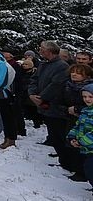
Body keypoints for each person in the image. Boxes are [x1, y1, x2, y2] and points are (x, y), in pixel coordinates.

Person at [29, 41, 71, 169]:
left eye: (42, 49)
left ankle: (69, 163)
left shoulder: (62, 66)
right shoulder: (43, 64)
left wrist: (41, 98)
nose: (40, 51)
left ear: (50, 51)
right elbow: (34, 79)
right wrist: (31, 94)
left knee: (60, 136)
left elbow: (56, 85)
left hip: (56, 107)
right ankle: (64, 161)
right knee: (54, 136)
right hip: (45, 106)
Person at [67, 83, 93, 189]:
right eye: (84, 97)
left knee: (90, 169)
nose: (87, 99)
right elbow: (78, 126)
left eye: (90, 97)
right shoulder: (85, 111)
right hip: (87, 148)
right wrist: (72, 137)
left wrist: (81, 141)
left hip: (88, 146)